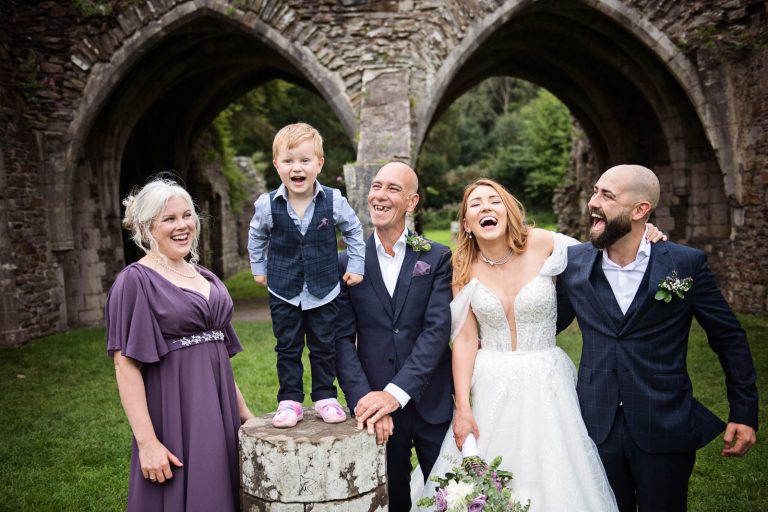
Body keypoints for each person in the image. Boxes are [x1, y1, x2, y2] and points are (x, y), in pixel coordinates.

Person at [416, 178, 641, 511]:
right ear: (466, 224)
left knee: (552, 470)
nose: (486, 207)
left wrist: (644, 236)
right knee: (479, 473)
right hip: (490, 382)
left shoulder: (544, 243)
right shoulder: (462, 268)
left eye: (494, 200)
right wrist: (462, 408)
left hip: (546, 379)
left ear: (508, 211)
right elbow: (464, 339)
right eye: (475, 204)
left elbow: (603, 252)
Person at [556, 164, 759, 512]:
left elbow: (729, 338)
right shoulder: (573, 263)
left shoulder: (685, 264)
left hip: (665, 422)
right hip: (594, 424)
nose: (593, 201)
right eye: (594, 191)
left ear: (640, 210)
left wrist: (744, 412)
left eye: (607, 195)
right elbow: (547, 326)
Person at [106, 178, 254, 512]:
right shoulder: (136, 281)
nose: (182, 225)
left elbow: (216, 356)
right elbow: (125, 365)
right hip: (175, 412)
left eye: (187, 216)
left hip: (220, 408)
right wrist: (148, 443)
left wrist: (244, 415)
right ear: (147, 227)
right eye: (169, 219)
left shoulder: (205, 276)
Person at [335, 161, 454, 510]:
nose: (380, 196)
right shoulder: (345, 263)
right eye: (376, 186)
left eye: (393, 189)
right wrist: (368, 401)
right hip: (376, 410)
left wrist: (395, 395)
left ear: (412, 202)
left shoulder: (436, 257)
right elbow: (341, 339)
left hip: (431, 401)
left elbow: (436, 332)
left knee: (452, 495)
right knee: (390, 501)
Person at [248, 122, 365, 428]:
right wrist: (258, 267)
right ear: (277, 165)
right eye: (288, 161)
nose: (296, 168)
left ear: (319, 164)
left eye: (305, 160)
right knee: (288, 345)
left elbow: (353, 230)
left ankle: (326, 396)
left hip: (324, 288)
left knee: (323, 343)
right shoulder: (267, 204)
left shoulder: (332, 199)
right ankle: (290, 401)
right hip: (284, 289)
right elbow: (256, 236)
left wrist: (355, 265)